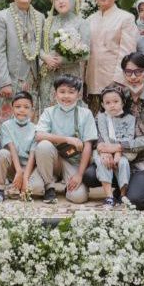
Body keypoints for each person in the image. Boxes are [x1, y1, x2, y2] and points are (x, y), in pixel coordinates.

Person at [82, 52, 144, 210]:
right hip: (117, 157)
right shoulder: (118, 95)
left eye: (138, 72)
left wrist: (119, 147)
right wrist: (103, 149)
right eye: (128, 72)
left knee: (136, 201)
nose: (133, 77)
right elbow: (100, 121)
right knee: (89, 176)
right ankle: (124, 186)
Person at [34, 74, 97, 204]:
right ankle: (49, 185)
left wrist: (79, 175)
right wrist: (67, 139)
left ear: (78, 95)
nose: (66, 96)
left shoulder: (86, 114)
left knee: (78, 197)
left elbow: (88, 146)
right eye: (62, 92)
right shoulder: (49, 112)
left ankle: (67, 183)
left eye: (71, 92)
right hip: (53, 160)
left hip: (74, 162)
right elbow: (39, 135)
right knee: (43, 146)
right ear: (55, 94)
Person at [0, 0, 45, 124]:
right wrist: (4, 82)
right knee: (7, 123)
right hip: (10, 80)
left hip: (32, 80)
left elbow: (41, 49)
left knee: (30, 122)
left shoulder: (40, 17)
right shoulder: (0, 17)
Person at [85, 0, 138, 113]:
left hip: (115, 83)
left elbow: (127, 53)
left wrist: (118, 81)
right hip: (91, 82)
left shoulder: (126, 18)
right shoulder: (89, 20)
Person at [39, 0, 90, 107]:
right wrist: (45, 58)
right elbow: (38, 47)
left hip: (71, 76)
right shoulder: (48, 22)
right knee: (48, 110)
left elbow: (86, 54)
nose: (60, 1)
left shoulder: (82, 23)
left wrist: (63, 60)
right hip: (49, 75)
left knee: (69, 110)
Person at [0, 91, 44, 200]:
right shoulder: (6, 126)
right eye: (18, 107)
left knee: (36, 189)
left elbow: (32, 155)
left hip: (29, 168)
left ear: (32, 110)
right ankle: (0, 190)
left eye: (26, 107)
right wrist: (19, 171)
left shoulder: (36, 129)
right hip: (14, 167)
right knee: (2, 154)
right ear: (12, 109)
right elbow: (11, 148)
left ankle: (18, 186)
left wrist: (25, 177)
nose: (22, 110)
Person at [92, 85, 136, 208]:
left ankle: (122, 195)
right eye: (108, 103)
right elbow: (101, 135)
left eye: (116, 101)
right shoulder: (101, 117)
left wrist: (117, 153)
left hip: (123, 150)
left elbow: (128, 138)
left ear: (123, 102)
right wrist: (106, 152)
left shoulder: (130, 118)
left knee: (123, 163)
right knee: (103, 162)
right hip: (104, 149)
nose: (112, 105)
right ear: (103, 104)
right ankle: (109, 196)